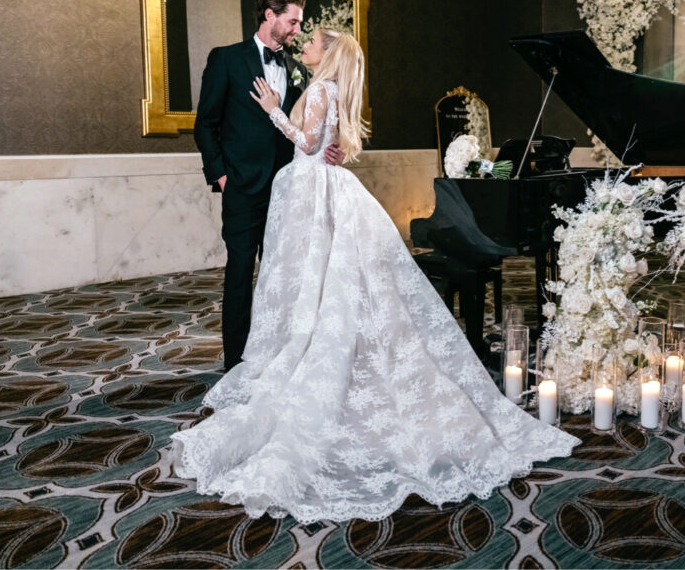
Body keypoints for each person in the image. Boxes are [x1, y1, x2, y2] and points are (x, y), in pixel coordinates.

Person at [172, 30, 578, 524]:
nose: (305, 45)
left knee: (309, 275)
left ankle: (306, 345)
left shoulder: (320, 89)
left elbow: (306, 141)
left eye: (312, 41)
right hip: (319, 184)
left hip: (307, 187)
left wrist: (275, 109)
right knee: (322, 277)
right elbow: (327, 143)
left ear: (328, 54)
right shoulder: (332, 87)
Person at [193, 0, 344, 372]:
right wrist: (222, 176)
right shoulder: (226, 59)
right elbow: (206, 124)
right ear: (269, 16)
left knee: (282, 275)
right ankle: (236, 362)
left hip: (289, 188)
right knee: (241, 273)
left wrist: (333, 148)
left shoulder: (297, 66)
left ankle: (274, 353)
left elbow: (311, 125)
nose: (297, 29)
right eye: (292, 21)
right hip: (242, 188)